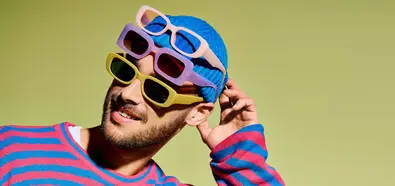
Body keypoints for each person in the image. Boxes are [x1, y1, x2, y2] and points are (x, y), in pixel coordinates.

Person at [0, 5, 285, 186]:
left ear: (197, 112)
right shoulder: (11, 150)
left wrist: (238, 156)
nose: (128, 94)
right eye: (126, 72)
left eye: (157, 89)